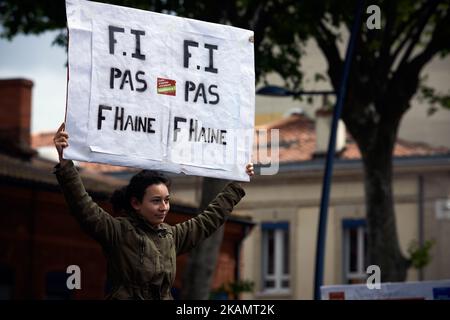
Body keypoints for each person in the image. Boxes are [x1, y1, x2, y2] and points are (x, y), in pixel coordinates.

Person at [53, 122, 254, 300]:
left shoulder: (172, 236)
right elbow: (82, 205)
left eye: (167, 200)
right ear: (136, 203)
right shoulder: (117, 231)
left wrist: (236, 185)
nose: (164, 207)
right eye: (156, 201)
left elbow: (208, 220)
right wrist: (65, 162)